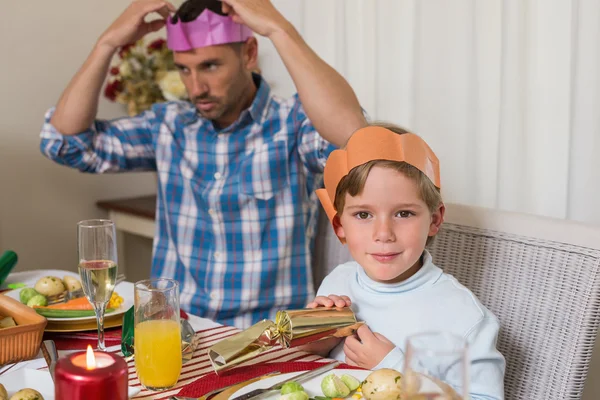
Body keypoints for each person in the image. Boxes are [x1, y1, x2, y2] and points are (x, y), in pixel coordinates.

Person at [39, 0, 367, 328]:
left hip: (265, 338)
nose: (196, 87)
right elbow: (65, 144)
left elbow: (354, 139)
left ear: (249, 54)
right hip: (174, 331)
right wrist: (107, 43)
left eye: (210, 65)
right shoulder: (168, 125)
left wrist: (281, 30)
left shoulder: (291, 124)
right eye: (184, 68)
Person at [304, 124, 505, 399]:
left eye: (403, 213)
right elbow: (309, 370)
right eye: (363, 215)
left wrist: (392, 367)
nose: (383, 234)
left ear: (434, 220)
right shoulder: (337, 281)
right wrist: (315, 341)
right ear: (339, 225)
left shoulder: (465, 318)